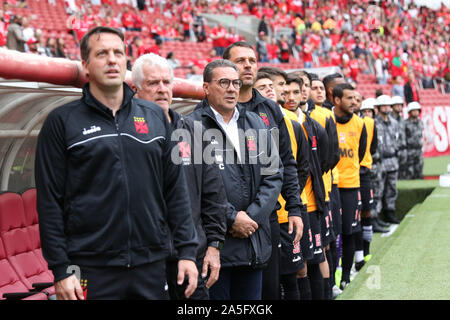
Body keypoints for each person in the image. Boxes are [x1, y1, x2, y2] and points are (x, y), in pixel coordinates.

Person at [35, 26, 199, 300]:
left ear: (126, 61)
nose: (111, 60)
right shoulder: (61, 122)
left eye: (118, 53)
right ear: (86, 65)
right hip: (89, 267)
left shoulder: (155, 118)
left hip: (150, 264)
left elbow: (175, 190)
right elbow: (50, 201)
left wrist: (187, 251)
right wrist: (62, 270)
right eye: (102, 54)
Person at [131, 53, 228, 300]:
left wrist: (214, 245)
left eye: (166, 82)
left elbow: (214, 195)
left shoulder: (194, 131)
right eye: (153, 83)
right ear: (135, 89)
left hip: (190, 255)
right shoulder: (125, 134)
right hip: (144, 259)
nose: (162, 89)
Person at [188, 59, 283, 300]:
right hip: (215, 248)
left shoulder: (256, 123)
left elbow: (274, 175)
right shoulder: (189, 126)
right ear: (206, 87)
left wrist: (252, 217)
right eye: (224, 82)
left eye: (235, 83)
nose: (232, 88)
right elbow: (192, 187)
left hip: (253, 242)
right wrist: (231, 218)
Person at [223, 41, 304, 300]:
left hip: (266, 219)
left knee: (268, 292)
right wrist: (231, 216)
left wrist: (294, 207)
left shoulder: (270, 109)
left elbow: (285, 163)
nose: (248, 65)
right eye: (240, 61)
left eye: (252, 60)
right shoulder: (212, 110)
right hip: (224, 224)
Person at [284, 74, 330, 300]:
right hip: (290, 208)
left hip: (310, 204)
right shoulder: (280, 121)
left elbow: (326, 159)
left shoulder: (314, 125)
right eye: (287, 92)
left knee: (315, 258)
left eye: (296, 91)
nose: (291, 97)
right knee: (297, 268)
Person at [332, 83, 367, 290]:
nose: (354, 102)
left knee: (349, 231)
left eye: (356, 98)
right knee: (332, 232)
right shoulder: (326, 119)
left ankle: (345, 276)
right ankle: (332, 278)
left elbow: (361, 152)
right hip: (331, 185)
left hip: (351, 185)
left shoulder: (360, 123)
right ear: (337, 100)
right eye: (349, 98)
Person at [354, 92, 378, 270]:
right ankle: (356, 256)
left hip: (364, 172)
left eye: (357, 99)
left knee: (366, 213)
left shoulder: (369, 123)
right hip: (347, 175)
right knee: (352, 217)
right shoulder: (334, 120)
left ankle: (366, 252)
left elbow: (373, 146)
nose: (354, 102)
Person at [373, 95, 401, 225]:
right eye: (383, 106)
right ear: (378, 108)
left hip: (393, 160)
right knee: (378, 189)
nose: (386, 108)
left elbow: (398, 140)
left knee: (392, 189)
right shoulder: (374, 123)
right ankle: (377, 216)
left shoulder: (395, 123)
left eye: (388, 105)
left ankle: (390, 212)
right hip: (380, 162)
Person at [404, 102, 424, 180]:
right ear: (409, 112)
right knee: (409, 172)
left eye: (417, 110)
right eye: (413, 110)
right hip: (409, 151)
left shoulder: (420, 122)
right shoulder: (405, 123)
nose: (415, 112)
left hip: (419, 150)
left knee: (419, 170)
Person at [391, 95, 408, 180]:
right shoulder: (389, 119)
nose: (399, 107)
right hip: (394, 151)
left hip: (403, 150)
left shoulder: (402, 120)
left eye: (400, 105)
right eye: (397, 105)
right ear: (392, 106)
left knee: (403, 173)